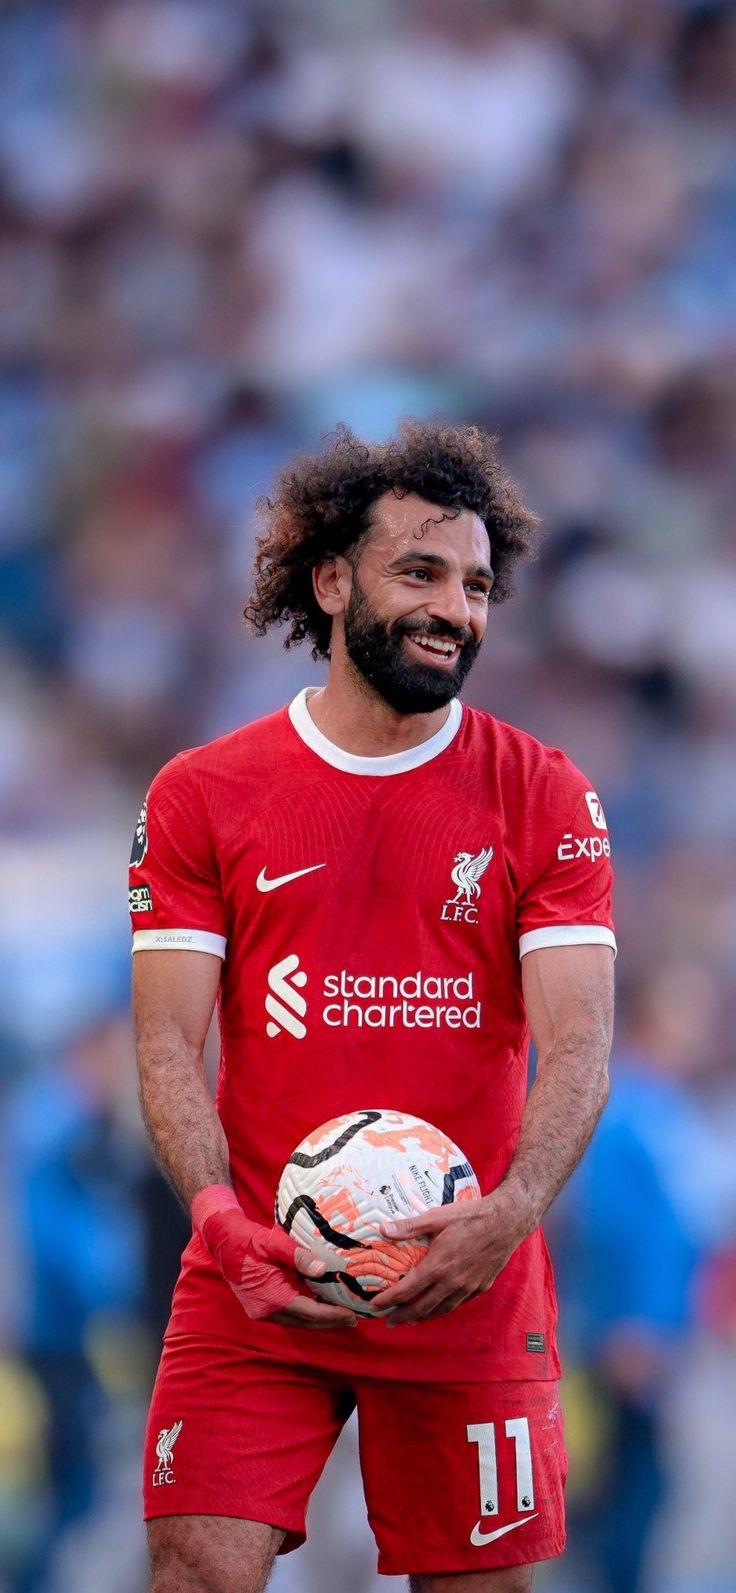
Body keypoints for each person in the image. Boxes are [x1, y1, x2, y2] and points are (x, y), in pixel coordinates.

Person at [130, 420, 615, 1593]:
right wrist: (215, 1218)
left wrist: (510, 1212)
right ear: (332, 578)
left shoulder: (542, 793)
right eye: (421, 572)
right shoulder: (204, 794)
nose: (457, 608)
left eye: (478, 584)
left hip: (470, 1278)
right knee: (195, 1568)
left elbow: (581, 1042)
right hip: (255, 1275)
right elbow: (162, 1044)